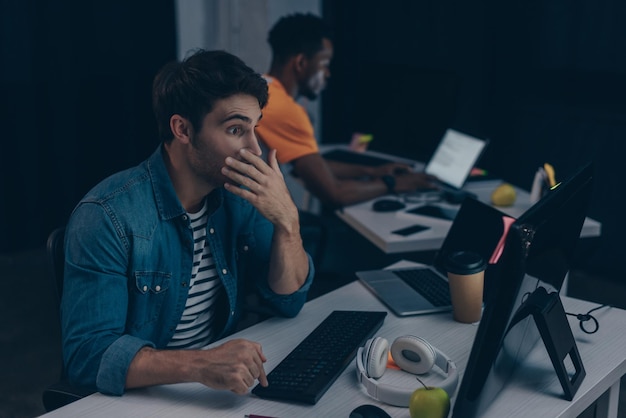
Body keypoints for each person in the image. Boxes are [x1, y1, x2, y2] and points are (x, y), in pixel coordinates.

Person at [61, 50, 314, 397]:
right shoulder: (107, 216)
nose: (255, 149)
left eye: (255, 128)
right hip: (145, 397)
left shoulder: (239, 198)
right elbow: (88, 357)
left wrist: (288, 223)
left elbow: (288, 300)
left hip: (215, 392)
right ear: (182, 129)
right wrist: (201, 364)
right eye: (236, 129)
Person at [255, 13, 438, 209]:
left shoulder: (262, 88)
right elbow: (335, 194)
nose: (328, 74)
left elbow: (310, 167)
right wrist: (395, 184)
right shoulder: (285, 109)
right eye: (324, 65)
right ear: (300, 63)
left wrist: (372, 171)